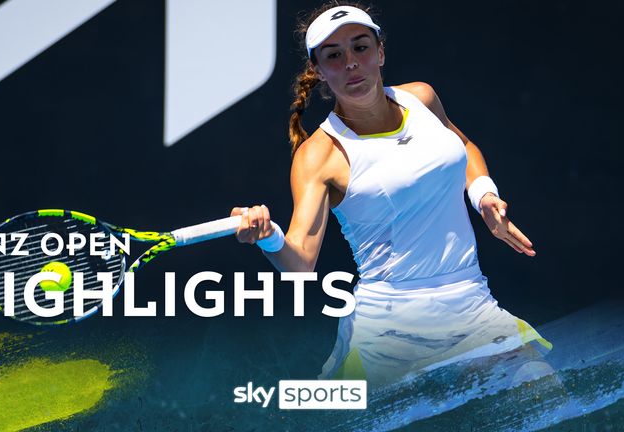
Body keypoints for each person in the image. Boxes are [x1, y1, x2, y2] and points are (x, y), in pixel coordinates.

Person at [231, 2, 552, 388]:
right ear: (317, 71)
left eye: (360, 47)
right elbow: (299, 264)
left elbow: (463, 147)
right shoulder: (318, 155)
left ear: (380, 52)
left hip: (471, 301)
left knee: (544, 393)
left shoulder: (422, 98)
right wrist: (268, 236)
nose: (351, 63)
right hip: (390, 332)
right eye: (334, 55)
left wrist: (484, 196)